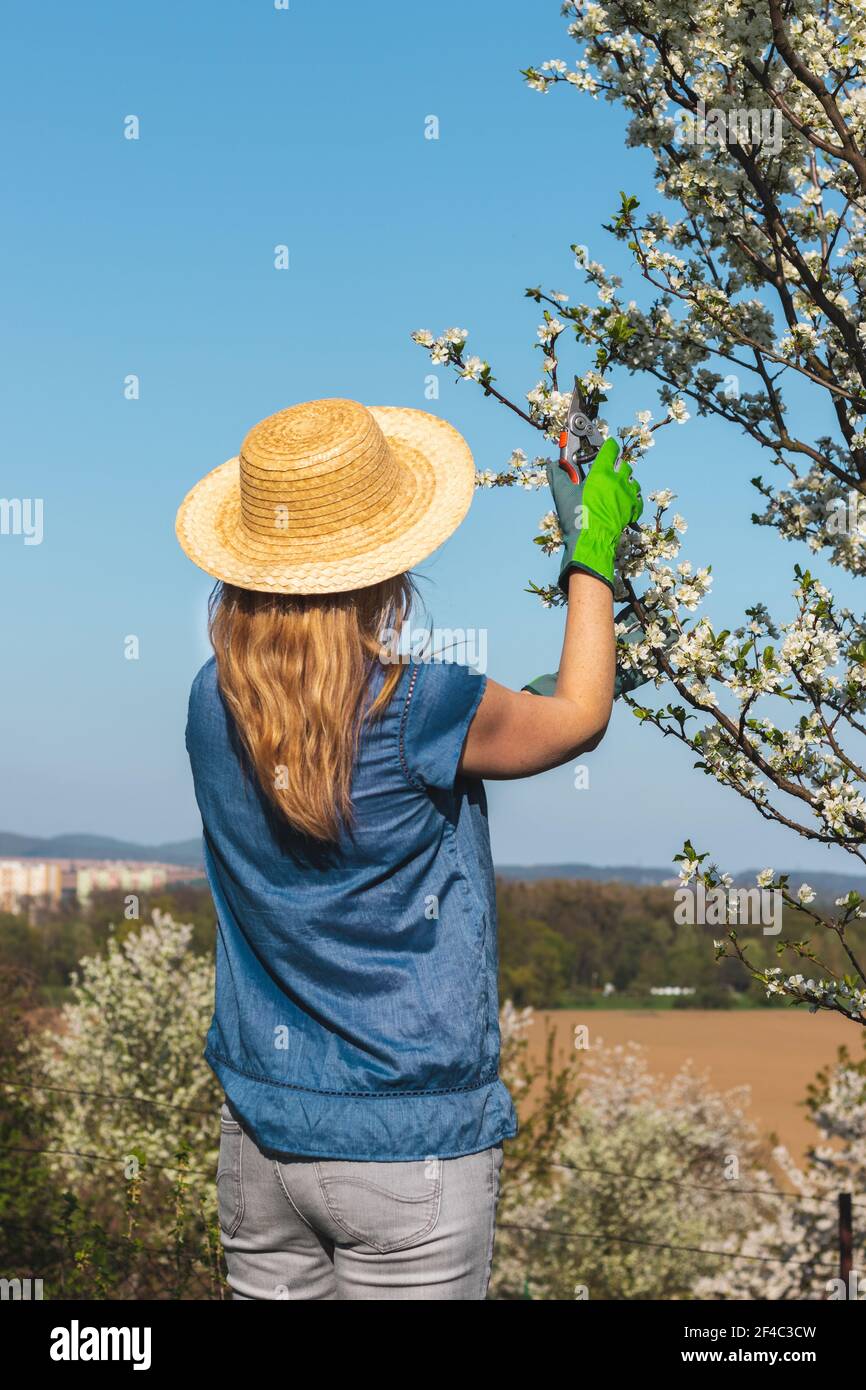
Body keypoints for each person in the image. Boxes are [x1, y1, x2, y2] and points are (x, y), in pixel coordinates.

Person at [176, 395, 641, 1301]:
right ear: (384, 562)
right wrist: (592, 559)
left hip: (262, 1137)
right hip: (409, 1147)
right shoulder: (424, 707)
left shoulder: (210, 700)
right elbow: (575, 717)